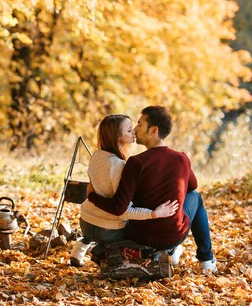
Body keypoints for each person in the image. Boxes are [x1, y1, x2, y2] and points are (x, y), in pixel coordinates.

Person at [87, 106, 217, 272]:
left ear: (153, 130)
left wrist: (92, 196)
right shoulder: (181, 159)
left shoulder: (135, 163)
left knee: (193, 195)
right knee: (195, 196)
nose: (135, 129)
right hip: (172, 235)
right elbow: (192, 186)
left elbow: (119, 206)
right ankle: (206, 259)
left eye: (140, 125)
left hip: (139, 236)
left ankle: (173, 251)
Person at [70, 114, 179, 267]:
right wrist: (153, 214)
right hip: (107, 230)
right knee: (136, 230)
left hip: (86, 222)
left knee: (94, 229)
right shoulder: (120, 166)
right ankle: (103, 249)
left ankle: (80, 248)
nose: (134, 131)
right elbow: (122, 210)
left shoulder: (95, 156)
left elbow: (92, 188)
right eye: (129, 130)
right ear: (117, 137)